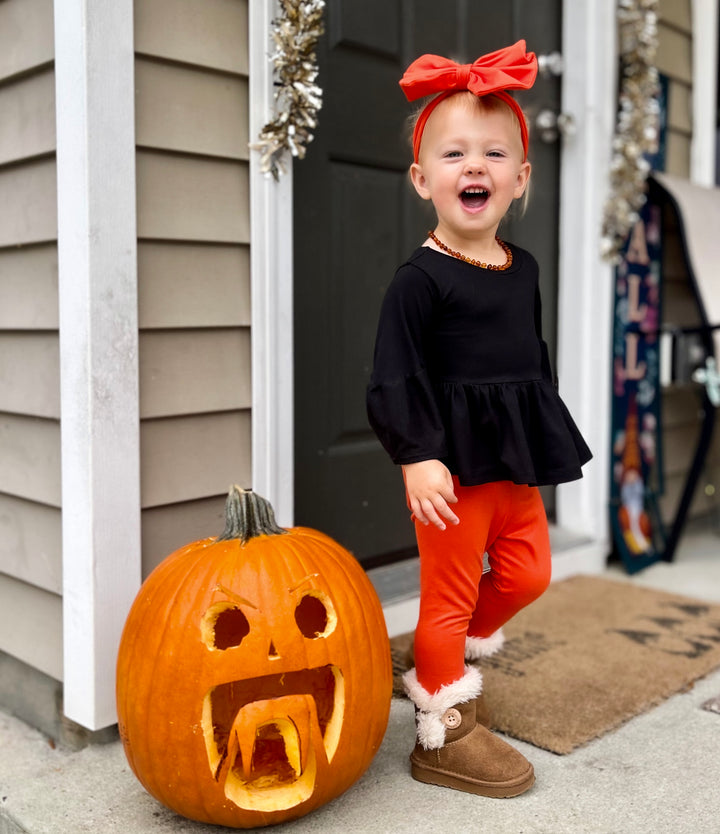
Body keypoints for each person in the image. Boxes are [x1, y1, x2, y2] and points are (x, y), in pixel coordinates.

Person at [366, 42, 592, 798]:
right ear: (422, 178)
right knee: (448, 597)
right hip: (451, 473)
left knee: (528, 573)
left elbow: (531, 355)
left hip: (514, 458)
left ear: (520, 179)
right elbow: (395, 374)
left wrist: (544, 432)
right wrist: (416, 454)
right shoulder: (418, 282)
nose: (475, 166)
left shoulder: (521, 268)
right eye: (454, 153)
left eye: (494, 153)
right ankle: (441, 729)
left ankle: (442, 662)